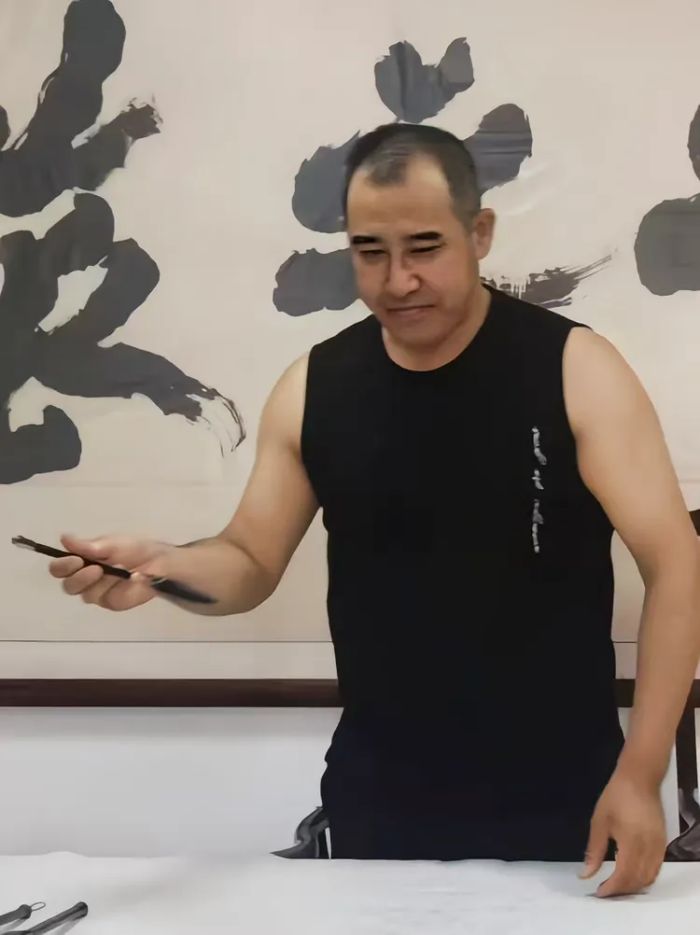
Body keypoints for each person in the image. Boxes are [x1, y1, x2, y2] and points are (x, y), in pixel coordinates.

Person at [50, 123, 700, 895]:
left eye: (425, 248)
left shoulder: (574, 369)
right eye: (370, 252)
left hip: (568, 814)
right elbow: (250, 560)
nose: (398, 280)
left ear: (479, 233)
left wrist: (642, 770)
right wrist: (163, 569)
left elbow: (677, 563)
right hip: (377, 814)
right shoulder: (316, 386)